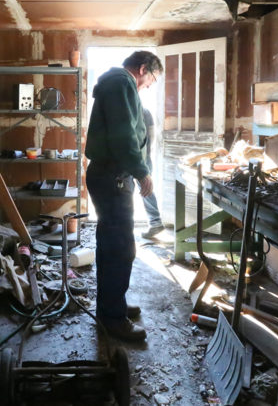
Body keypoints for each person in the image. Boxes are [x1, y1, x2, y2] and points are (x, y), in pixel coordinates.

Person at [85, 50, 163, 341]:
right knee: (119, 248)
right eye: (152, 78)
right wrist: (142, 172)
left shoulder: (117, 82)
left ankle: (111, 305)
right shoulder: (122, 82)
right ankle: (112, 319)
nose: (150, 85)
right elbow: (123, 134)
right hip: (112, 177)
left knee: (112, 245)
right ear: (143, 69)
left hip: (109, 175)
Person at [140, 107, 164, 238]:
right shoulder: (146, 111)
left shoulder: (131, 110)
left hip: (136, 156)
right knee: (146, 189)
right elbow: (152, 134)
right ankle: (155, 222)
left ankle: (155, 223)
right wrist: (148, 150)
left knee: (127, 190)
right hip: (145, 155)